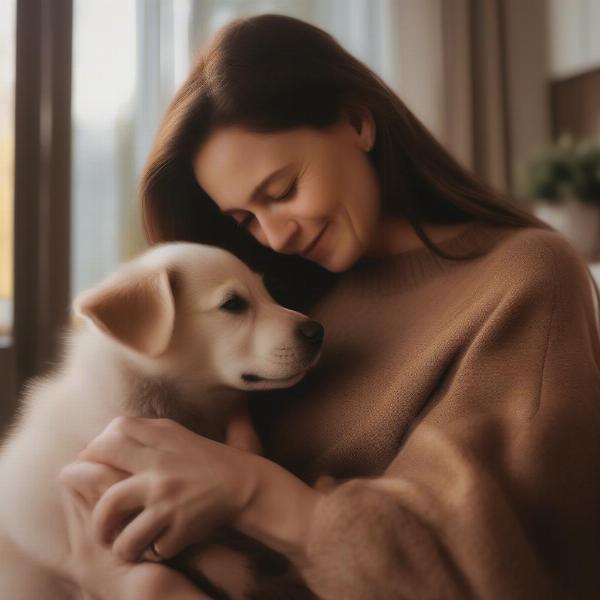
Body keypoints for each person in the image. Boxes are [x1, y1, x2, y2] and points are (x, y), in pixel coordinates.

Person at [59, 13, 600, 600]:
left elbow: (488, 564)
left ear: (357, 121)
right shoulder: (280, 305)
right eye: (244, 219)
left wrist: (251, 491)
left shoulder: (522, 279)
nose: (275, 236)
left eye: (283, 190)